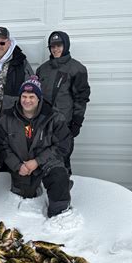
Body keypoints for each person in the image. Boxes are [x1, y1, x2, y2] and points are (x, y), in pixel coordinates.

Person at [0, 76, 72, 217]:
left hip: (47, 163)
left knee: (59, 176)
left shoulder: (53, 117)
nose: (27, 100)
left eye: (31, 96)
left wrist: (37, 162)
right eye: (24, 96)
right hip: (22, 166)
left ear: (39, 98)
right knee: (26, 194)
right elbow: (1, 146)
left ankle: (60, 214)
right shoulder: (7, 118)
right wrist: (18, 166)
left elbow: (64, 145)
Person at [36, 31, 90, 174]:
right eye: (52, 46)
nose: (55, 49)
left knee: (62, 157)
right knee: (43, 157)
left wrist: (77, 122)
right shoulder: (42, 69)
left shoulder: (77, 69)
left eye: (59, 45)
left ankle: (64, 188)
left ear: (66, 46)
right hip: (44, 124)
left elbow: (81, 98)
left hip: (64, 123)